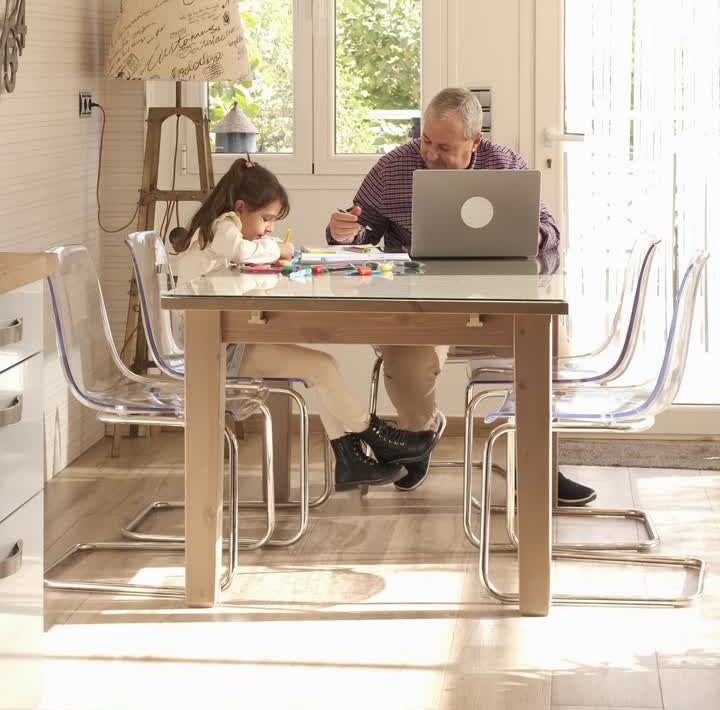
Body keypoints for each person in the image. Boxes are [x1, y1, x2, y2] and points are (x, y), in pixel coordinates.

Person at [325, 86, 596, 506]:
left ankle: (538, 463)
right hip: (420, 309)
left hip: (496, 306)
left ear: (476, 142)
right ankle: (419, 436)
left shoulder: (506, 166)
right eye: (426, 141)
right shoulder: (393, 167)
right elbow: (361, 234)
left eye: (445, 146)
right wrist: (343, 233)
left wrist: (535, 234)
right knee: (403, 365)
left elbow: (551, 236)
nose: (430, 154)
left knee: (551, 346)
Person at [171, 157, 442, 493]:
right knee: (321, 367)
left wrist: (273, 250)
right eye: (266, 219)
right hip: (209, 344)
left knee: (321, 367)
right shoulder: (222, 225)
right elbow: (242, 251)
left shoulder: (223, 227)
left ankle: (352, 456)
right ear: (240, 208)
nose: (268, 227)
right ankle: (377, 439)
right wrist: (277, 248)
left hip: (225, 334)